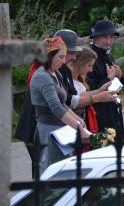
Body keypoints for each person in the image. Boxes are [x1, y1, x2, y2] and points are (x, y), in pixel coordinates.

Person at [30, 36, 91, 172]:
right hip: (49, 130)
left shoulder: (55, 72)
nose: (63, 61)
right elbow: (56, 107)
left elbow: (62, 103)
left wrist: (78, 120)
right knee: (53, 169)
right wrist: (78, 128)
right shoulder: (42, 77)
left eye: (64, 57)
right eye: (60, 57)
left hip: (60, 129)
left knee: (64, 167)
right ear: (49, 56)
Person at [86, 19, 124, 141]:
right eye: (104, 37)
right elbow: (89, 88)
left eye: (111, 37)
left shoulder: (108, 55)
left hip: (112, 106)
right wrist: (108, 78)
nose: (109, 41)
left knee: (118, 141)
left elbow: (119, 86)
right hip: (99, 111)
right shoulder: (89, 57)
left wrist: (120, 76)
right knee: (106, 145)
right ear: (95, 38)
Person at [69, 47, 118, 133]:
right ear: (80, 63)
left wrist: (100, 90)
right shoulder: (68, 80)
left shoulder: (79, 79)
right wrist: (98, 95)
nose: (91, 70)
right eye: (89, 65)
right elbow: (76, 99)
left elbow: (81, 94)